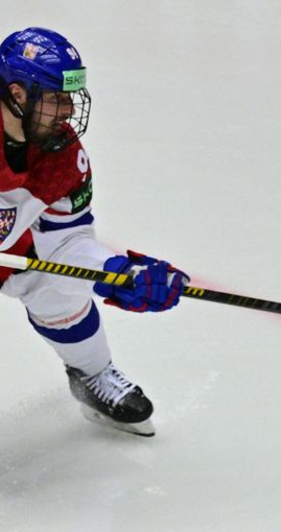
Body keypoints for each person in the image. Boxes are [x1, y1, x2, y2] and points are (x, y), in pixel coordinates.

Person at [0, 27, 188, 436]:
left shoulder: (62, 155)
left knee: (54, 283)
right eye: (55, 98)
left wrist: (117, 273)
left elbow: (67, 239)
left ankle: (92, 373)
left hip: (9, 254)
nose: (67, 110)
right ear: (17, 95)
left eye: (69, 98)